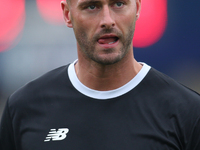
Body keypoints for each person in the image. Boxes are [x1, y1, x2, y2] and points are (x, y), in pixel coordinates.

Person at [0, 0, 200, 149]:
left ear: (138, 7)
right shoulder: (23, 108)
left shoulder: (188, 112)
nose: (107, 20)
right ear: (67, 14)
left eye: (118, 4)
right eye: (91, 6)